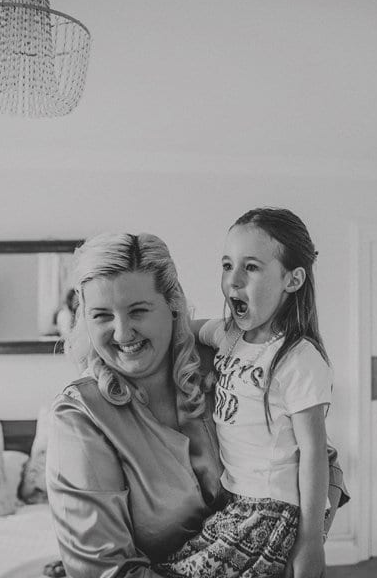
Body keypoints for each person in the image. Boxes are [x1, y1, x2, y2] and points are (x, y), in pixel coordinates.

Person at [46, 232, 348, 578]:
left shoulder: (228, 362)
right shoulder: (81, 415)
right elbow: (105, 571)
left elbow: (323, 459)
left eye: (138, 311)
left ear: (172, 305)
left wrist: (299, 545)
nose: (122, 333)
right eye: (101, 316)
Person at [160, 208, 333, 578]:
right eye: (227, 265)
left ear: (292, 279)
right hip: (231, 501)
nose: (232, 281)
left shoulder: (298, 358)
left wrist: (311, 541)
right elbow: (177, 330)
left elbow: (315, 453)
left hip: (270, 511)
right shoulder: (229, 335)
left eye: (251, 267)